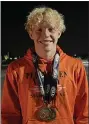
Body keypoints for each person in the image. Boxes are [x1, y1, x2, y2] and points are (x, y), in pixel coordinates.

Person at [1, 6, 88, 124]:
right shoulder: (15, 69)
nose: (45, 35)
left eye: (51, 29)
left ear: (59, 33)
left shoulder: (75, 66)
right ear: (31, 33)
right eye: (39, 30)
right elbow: (9, 115)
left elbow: (84, 113)